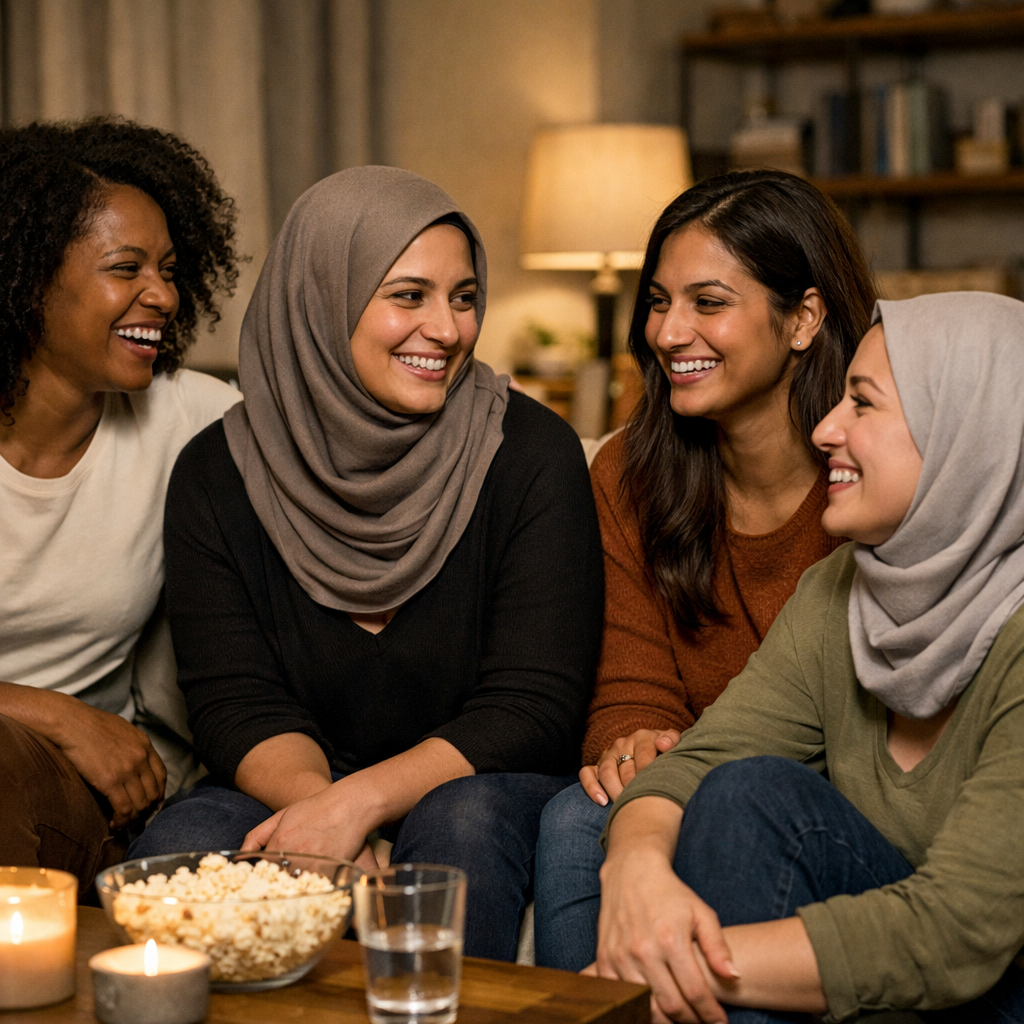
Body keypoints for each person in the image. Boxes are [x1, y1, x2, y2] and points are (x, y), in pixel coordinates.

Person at [132, 166, 604, 962]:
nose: (448, 330)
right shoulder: (217, 472)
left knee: (462, 825)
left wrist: (356, 807)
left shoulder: (530, 451)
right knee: (178, 847)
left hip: (481, 779)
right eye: (409, 295)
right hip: (291, 777)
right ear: (323, 297)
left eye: (463, 297)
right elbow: (234, 702)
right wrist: (328, 817)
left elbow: (534, 705)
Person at [590, 292, 1024, 1023]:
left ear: (964, 431)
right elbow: (702, 761)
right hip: (874, 982)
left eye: (863, 404)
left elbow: (958, 933)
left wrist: (664, 971)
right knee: (743, 792)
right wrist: (634, 874)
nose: (825, 429)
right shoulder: (841, 588)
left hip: (993, 987)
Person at [534, 170, 876, 970]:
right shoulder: (629, 473)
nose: (669, 331)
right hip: (689, 771)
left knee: (735, 804)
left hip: (821, 795)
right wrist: (633, 739)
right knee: (577, 818)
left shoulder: (873, 473)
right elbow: (627, 673)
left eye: (708, 303)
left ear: (804, 318)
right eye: (658, 301)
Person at [0, 117, 241, 895]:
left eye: (169, 269)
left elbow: (335, 445)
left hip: (72, 796)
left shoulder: (190, 420)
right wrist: (55, 712)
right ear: (28, 276)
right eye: (125, 267)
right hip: (64, 740)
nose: (163, 295)